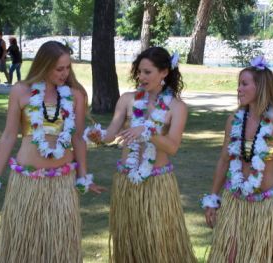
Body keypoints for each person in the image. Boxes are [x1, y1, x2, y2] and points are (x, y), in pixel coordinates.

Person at [0, 41, 105, 263]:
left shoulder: (76, 95)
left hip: (62, 183)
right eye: (59, 68)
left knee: (59, 248)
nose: (65, 73)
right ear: (44, 66)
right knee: (23, 248)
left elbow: (78, 138)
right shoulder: (21, 90)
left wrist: (84, 177)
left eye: (67, 68)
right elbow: (8, 134)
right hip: (26, 183)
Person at [84, 47, 197, 263]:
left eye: (147, 72)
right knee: (130, 243)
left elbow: (172, 147)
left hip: (158, 183)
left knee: (158, 243)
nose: (140, 77)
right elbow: (111, 135)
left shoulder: (176, 107)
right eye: (139, 71)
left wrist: (148, 131)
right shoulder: (127, 100)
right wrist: (98, 135)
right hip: (127, 181)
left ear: (164, 72)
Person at [201, 56, 273, 263]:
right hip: (235, 201)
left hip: (268, 204)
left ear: (261, 87)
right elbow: (224, 161)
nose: (238, 89)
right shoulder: (234, 120)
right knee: (230, 257)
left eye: (244, 84)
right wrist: (213, 198)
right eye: (238, 84)